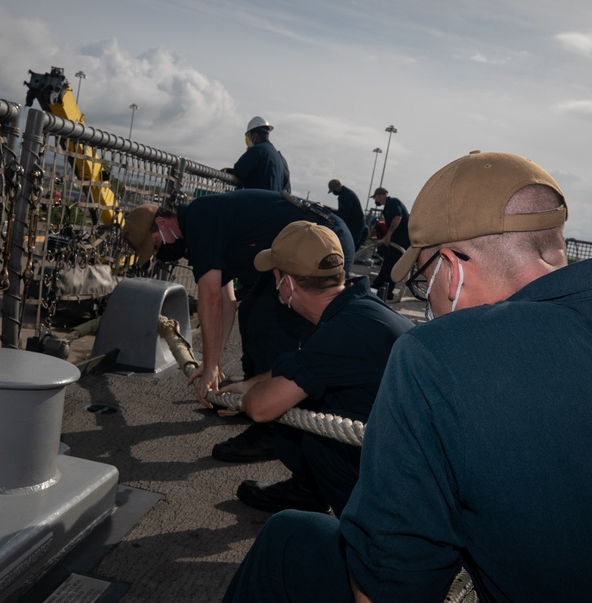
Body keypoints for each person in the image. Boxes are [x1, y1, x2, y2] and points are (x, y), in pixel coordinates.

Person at [202, 150, 592, 603]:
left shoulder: (437, 356)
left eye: (422, 279)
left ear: (450, 271)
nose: (425, 299)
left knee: (288, 542)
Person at [122, 189, 354, 462]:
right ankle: (253, 398)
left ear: (162, 224)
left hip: (322, 244)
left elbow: (209, 300)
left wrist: (208, 366)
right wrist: (214, 363)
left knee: (268, 325)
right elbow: (226, 300)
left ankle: (271, 430)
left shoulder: (198, 220)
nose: (163, 256)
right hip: (313, 242)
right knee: (253, 311)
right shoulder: (202, 222)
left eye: (158, 247)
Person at [216, 221, 413, 516]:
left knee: (309, 433)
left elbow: (261, 408)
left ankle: (369, 536)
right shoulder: (359, 307)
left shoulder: (341, 333)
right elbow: (311, 363)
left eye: (275, 276)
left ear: (288, 284)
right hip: (411, 459)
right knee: (307, 397)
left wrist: (249, 396)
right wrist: (249, 383)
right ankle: (310, 489)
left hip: (401, 485)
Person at [226, 116, 291, 193]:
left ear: (255, 135)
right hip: (274, 203)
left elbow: (239, 171)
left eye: (249, 137)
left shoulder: (257, 151)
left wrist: (226, 171)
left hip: (258, 202)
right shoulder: (280, 158)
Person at [369, 186, 410, 299]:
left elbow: (397, 217)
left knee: (391, 265)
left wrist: (388, 236)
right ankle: (378, 285)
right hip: (396, 239)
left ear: (380, 196)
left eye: (376, 198)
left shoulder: (392, 202)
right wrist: (383, 240)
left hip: (402, 239)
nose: (376, 200)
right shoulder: (387, 207)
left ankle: (387, 291)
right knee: (387, 262)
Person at [327, 178, 367, 248]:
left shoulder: (345, 196)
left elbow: (343, 215)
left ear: (338, 186)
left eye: (333, 190)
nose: (334, 192)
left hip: (355, 226)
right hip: (356, 225)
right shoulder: (346, 194)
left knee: (348, 246)